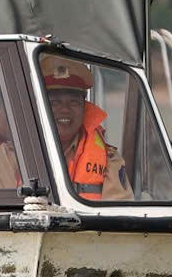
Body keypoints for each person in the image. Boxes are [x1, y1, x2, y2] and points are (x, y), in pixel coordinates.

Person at [40, 55, 128, 201]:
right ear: (40, 106)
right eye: (54, 102)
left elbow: (121, 216)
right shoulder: (12, 156)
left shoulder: (110, 160)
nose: (64, 110)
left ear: (84, 108)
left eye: (74, 102)